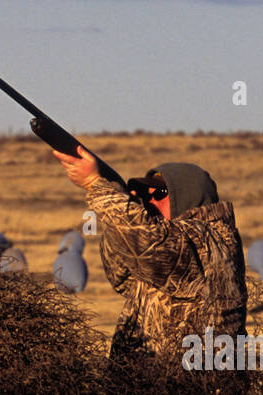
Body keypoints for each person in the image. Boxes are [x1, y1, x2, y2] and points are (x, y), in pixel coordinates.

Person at [53, 147, 248, 360]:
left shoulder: (207, 239)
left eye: (160, 193)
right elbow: (121, 275)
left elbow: (148, 244)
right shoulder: (170, 246)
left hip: (188, 388)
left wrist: (95, 183)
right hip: (154, 387)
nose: (150, 201)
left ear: (188, 196)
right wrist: (127, 206)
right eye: (146, 194)